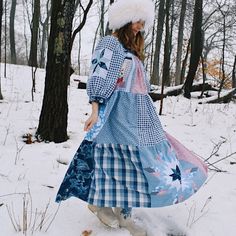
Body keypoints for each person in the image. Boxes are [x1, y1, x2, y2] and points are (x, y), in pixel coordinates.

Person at [55, 0, 208, 235]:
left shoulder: (132, 51)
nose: (140, 26)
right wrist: (95, 108)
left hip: (140, 114)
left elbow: (140, 85)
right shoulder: (111, 44)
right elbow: (100, 75)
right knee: (116, 162)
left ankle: (119, 212)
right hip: (117, 112)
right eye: (137, 20)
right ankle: (104, 205)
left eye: (143, 22)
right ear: (124, 20)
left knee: (141, 162)